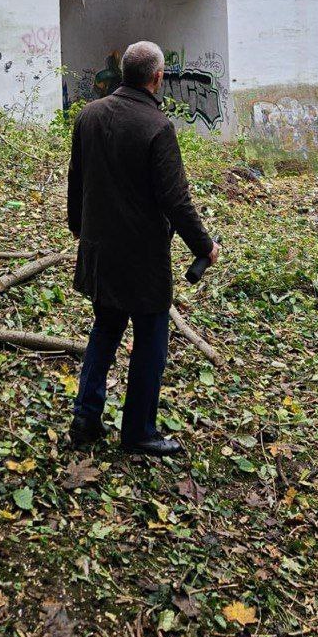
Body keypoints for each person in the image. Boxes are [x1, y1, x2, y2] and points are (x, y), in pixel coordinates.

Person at [66, 40, 221, 456]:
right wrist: (204, 246)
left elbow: (76, 180)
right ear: (157, 77)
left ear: (123, 74)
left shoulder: (88, 115)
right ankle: (138, 431)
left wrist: (78, 230)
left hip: (100, 249)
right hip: (143, 256)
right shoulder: (157, 126)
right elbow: (176, 200)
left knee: (106, 328)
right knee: (151, 340)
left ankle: (85, 418)